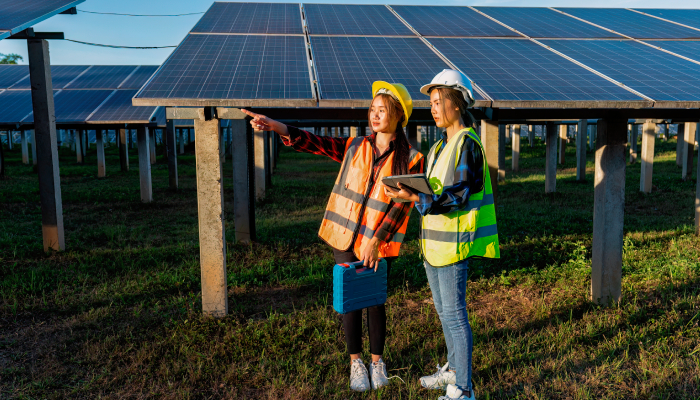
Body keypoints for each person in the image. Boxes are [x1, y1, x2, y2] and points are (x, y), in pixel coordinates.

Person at [241, 81, 425, 392]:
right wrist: (279, 127)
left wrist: (375, 242)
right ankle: (356, 362)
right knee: (351, 299)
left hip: (377, 244)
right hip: (343, 238)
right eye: (373, 109)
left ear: (398, 116)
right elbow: (315, 142)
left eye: (383, 110)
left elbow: (399, 209)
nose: (375, 115)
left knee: (375, 301)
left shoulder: (411, 158)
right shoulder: (355, 146)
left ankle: (377, 363)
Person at [384, 69, 500, 400]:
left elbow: (460, 193)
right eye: (431, 103)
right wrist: (411, 188)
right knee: (443, 312)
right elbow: (435, 188)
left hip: (453, 245)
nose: (433, 108)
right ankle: (452, 369)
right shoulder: (439, 146)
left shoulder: (467, 144)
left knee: (455, 315)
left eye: (438, 102)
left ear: (457, 104)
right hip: (433, 245)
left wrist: (415, 197)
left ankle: (462, 389)